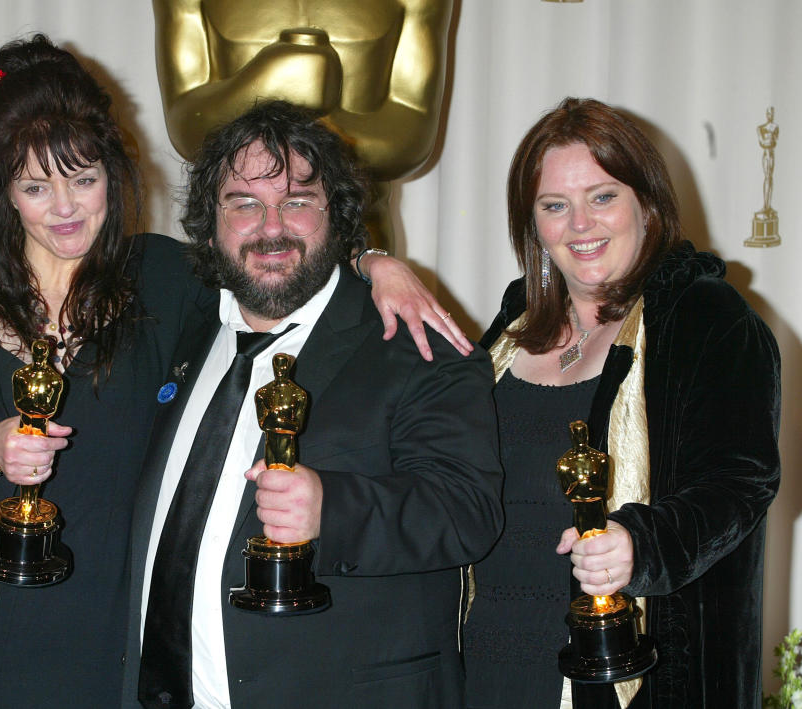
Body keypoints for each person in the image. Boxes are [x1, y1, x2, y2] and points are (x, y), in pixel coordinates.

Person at [0, 34, 467, 708]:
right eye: (36, 185)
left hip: (112, 656)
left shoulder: (167, 281)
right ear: (6, 194)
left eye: (83, 178)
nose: (66, 207)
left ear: (113, 173)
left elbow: (272, 258)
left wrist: (374, 260)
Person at [122, 100, 504, 709]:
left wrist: (333, 508)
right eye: (244, 203)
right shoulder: (183, 325)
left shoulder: (416, 343)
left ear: (338, 215)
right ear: (210, 220)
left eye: (297, 201)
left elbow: (468, 511)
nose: (271, 226)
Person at [463, 97, 781, 709]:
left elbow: (741, 482)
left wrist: (642, 544)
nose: (580, 225)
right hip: (484, 663)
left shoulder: (705, 318)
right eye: (555, 206)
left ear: (647, 203)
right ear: (533, 225)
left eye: (602, 196)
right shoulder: (507, 331)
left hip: (634, 678)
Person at [152, 0, 455, 249]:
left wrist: (319, 119)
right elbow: (187, 130)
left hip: (355, 242)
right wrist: (269, 81)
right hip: (238, 235)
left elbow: (411, 139)